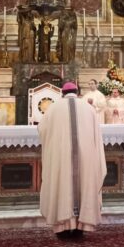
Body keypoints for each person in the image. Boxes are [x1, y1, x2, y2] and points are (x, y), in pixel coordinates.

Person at [39, 82, 106, 238]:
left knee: (62, 184)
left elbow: (42, 130)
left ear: (62, 93)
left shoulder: (53, 108)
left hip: (61, 156)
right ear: (78, 92)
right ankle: (80, 227)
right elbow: (97, 135)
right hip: (85, 156)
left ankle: (62, 227)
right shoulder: (89, 108)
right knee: (84, 182)